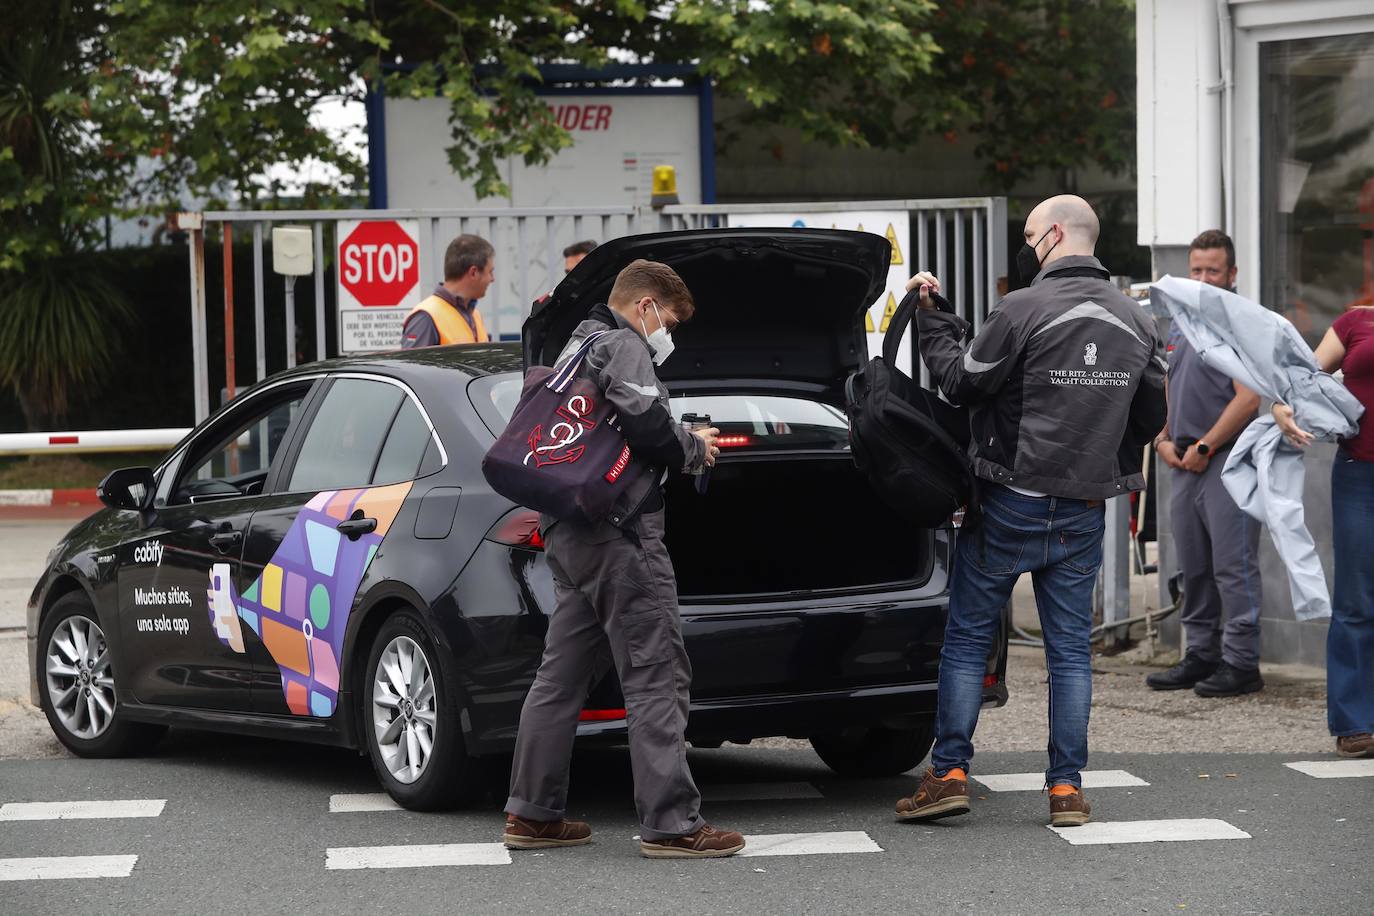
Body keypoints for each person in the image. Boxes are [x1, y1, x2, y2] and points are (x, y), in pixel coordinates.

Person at [893, 195, 1166, 828]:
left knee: (966, 642)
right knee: (1069, 651)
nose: (1025, 247)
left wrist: (933, 320)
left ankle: (950, 774)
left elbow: (963, 381)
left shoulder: (1021, 308)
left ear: (1053, 236)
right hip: (1082, 506)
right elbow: (1152, 416)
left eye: (1027, 236)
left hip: (1009, 498)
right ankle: (1066, 789)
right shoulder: (1136, 318)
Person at [502, 259, 746, 858]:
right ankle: (672, 824)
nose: (670, 333)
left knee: (559, 678)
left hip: (569, 533)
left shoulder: (576, 345)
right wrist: (695, 448)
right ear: (644, 308)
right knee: (656, 672)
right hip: (622, 537)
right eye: (670, 319)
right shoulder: (625, 345)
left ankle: (532, 815)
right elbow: (647, 426)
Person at [1146, 230, 1265, 697]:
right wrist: (1161, 437)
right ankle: (1200, 654)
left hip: (1227, 460)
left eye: (1211, 270)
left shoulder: (1241, 322)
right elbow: (1171, 385)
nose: (1202, 278)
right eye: (1195, 269)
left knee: (1233, 567)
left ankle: (1241, 662)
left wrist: (1204, 448)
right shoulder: (1181, 321)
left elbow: (1249, 398)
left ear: (1232, 274)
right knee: (1192, 564)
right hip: (1183, 458)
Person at [1271, 304, 1374, 759]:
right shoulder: (1356, 322)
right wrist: (1279, 406)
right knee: (1356, 598)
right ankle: (1355, 723)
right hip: (1360, 476)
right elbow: (1301, 378)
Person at [399, 234, 494, 347]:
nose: (492, 279)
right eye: (490, 272)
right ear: (473, 272)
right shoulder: (426, 318)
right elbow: (411, 364)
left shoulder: (475, 315)